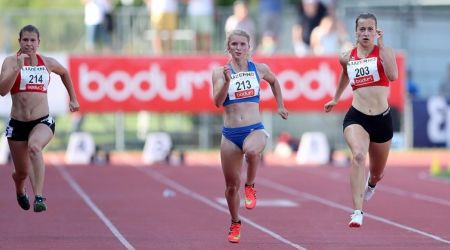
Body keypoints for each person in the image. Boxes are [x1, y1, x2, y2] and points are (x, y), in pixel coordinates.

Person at [211, 29, 288, 243]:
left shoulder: (259, 69)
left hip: (254, 129)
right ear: (228, 47)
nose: (238, 48)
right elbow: (217, 101)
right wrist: (227, 82)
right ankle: (235, 222)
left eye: (242, 44)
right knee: (230, 187)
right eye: (234, 44)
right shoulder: (220, 72)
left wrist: (280, 104)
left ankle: (251, 185)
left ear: (248, 47)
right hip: (230, 134)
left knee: (253, 152)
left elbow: (274, 82)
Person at [324, 13, 398, 227]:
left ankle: (372, 183)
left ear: (376, 32)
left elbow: (393, 76)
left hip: (382, 119)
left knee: (377, 173)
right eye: (362, 29)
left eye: (370, 29)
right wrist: (336, 98)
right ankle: (357, 211)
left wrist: (382, 46)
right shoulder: (346, 56)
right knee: (358, 155)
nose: (366, 33)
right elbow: (345, 74)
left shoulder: (384, 52)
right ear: (355, 32)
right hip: (357, 116)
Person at [0, 25, 80, 212]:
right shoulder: (10, 62)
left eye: (32, 40)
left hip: (42, 121)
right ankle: (20, 190)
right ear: (19, 41)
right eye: (25, 40)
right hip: (17, 124)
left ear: (38, 42)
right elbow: (2, 91)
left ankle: (39, 197)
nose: (29, 44)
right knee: (22, 172)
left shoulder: (48, 63)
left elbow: (64, 73)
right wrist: (16, 70)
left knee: (35, 147)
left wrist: (73, 98)